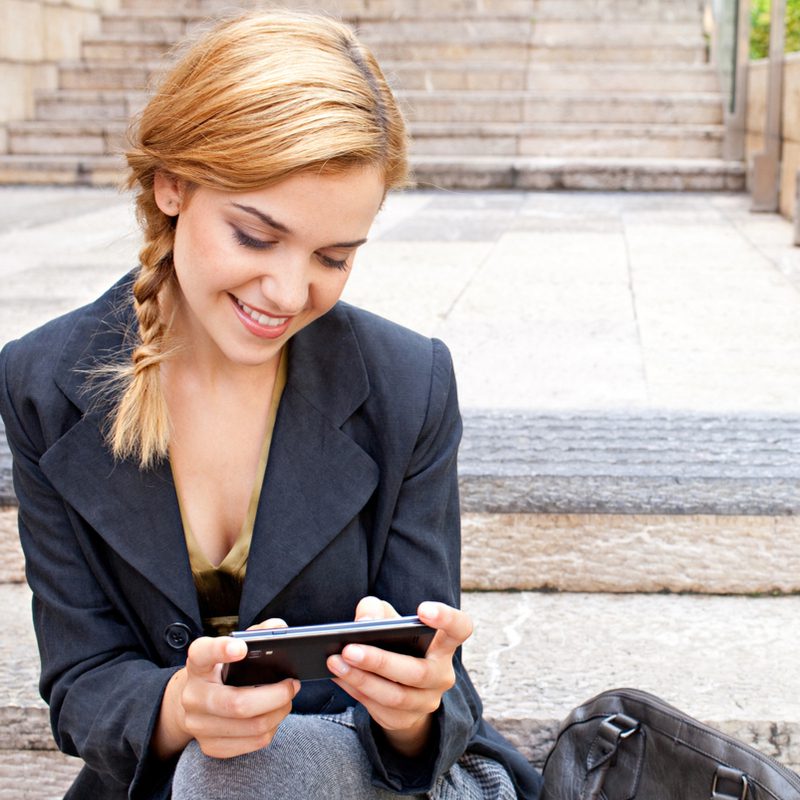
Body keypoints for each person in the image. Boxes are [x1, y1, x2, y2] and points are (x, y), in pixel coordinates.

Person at [0, 10, 543, 800]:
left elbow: (440, 689)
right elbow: (83, 679)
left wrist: (413, 709)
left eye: (333, 257)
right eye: (256, 237)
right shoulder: (44, 382)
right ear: (172, 184)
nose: (290, 294)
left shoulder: (407, 381)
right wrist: (184, 709)